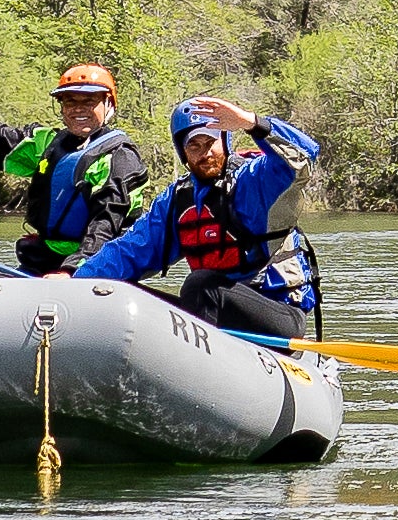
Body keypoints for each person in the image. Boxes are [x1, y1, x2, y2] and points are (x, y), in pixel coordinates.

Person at [76, 96, 321, 338]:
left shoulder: (257, 181)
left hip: (278, 313)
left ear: (225, 141)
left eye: (210, 142)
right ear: (183, 153)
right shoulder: (177, 200)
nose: (205, 153)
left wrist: (252, 122)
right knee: (127, 293)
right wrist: (73, 282)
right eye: (194, 146)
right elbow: (127, 252)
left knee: (199, 285)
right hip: (217, 310)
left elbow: (303, 156)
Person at [0, 43, 150, 276]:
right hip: (44, 261)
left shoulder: (121, 157)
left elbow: (106, 224)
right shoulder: (47, 143)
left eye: (89, 101)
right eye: (70, 101)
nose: (79, 109)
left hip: (102, 263)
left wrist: (69, 270)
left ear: (108, 105)